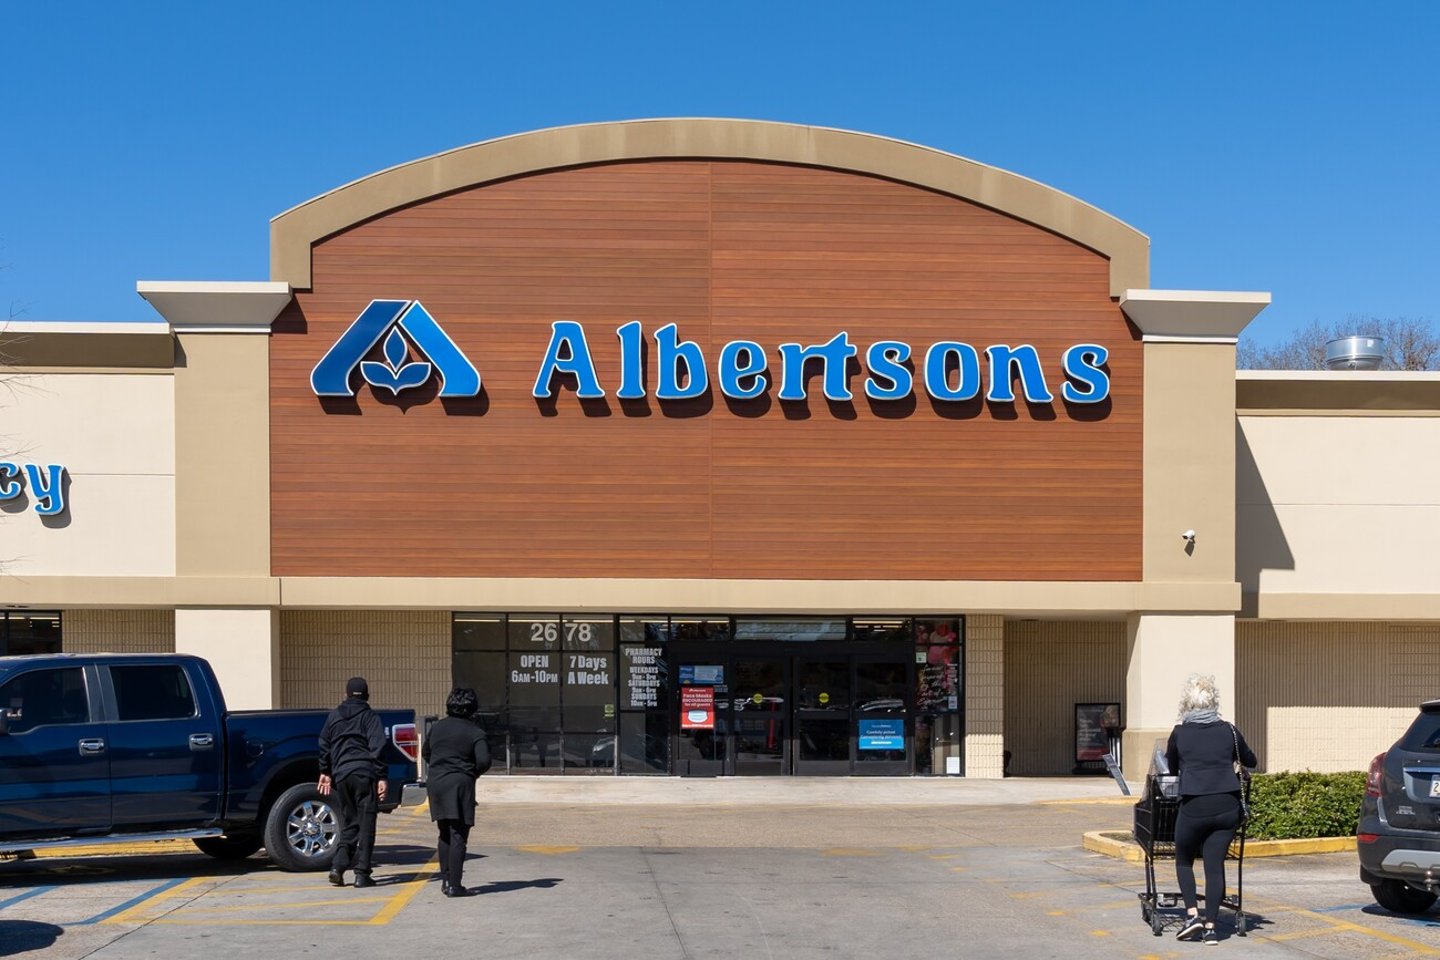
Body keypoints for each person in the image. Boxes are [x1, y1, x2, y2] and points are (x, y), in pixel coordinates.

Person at [1165, 674, 1256, 944]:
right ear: (1213, 702)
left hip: (1194, 805)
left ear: (1187, 704)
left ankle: (1192, 915)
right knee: (1214, 865)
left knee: (1183, 859)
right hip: (1227, 805)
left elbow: (1171, 769)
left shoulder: (1180, 733)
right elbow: (1251, 759)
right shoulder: (1228, 729)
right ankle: (1212, 928)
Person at [318, 676, 388, 889]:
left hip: (342, 776)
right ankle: (362, 874)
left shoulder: (334, 716)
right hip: (364, 774)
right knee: (366, 824)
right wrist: (381, 776)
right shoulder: (369, 717)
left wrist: (325, 771)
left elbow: (324, 744)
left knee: (350, 822)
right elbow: (378, 746)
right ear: (367, 695)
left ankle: (337, 867)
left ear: (346, 694)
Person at [423, 687, 492, 897]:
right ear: (472, 708)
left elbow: (426, 752)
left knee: (444, 833)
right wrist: (471, 773)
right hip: (460, 784)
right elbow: (484, 761)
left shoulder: (437, 727)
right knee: (458, 834)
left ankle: (445, 880)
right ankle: (455, 885)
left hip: (436, 782)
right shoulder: (475, 731)